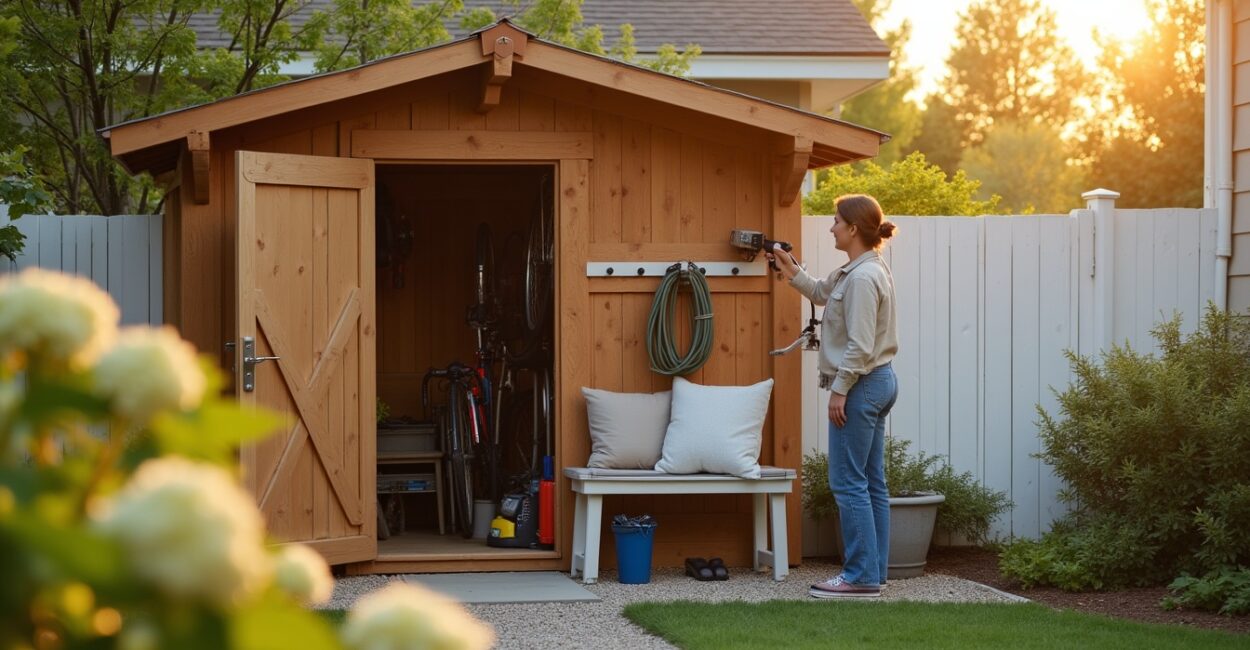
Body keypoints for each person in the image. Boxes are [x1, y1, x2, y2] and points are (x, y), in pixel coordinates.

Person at [767, 194, 898, 599]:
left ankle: (859, 576)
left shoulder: (861, 278)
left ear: (854, 228)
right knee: (871, 482)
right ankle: (874, 573)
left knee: (847, 482)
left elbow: (858, 346)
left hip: (862, 384)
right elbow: (822, 293)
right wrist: (792, 271)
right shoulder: (860, 269)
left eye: (837, 221)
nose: (831, 227)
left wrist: (839, 391)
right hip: (879, 380)